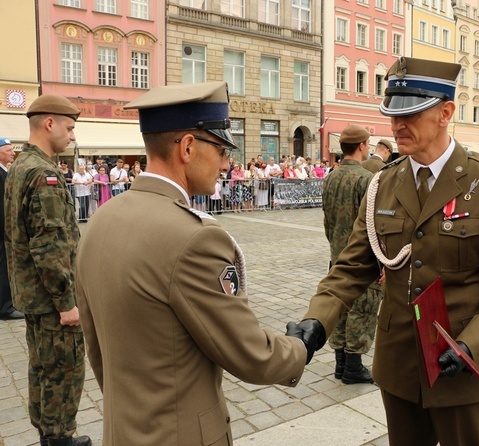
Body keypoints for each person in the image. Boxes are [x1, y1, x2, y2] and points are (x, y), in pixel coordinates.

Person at [286, 57, 479, 446]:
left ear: (445, 113)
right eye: (393, 114)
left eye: (412, 114)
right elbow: (351, 268)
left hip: (462, 372)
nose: (397, 125)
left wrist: (473, 345)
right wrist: (317, 319)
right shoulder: (383, 183)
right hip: (399, 367)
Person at [77, 81, 307, 445]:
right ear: (187, 147)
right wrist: (300, 349)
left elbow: (97, 350)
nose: (226, 163)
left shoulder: (100, 221)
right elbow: (250, 353)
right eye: (220, 149)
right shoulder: (195, 237)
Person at [5, 94, 90, 446]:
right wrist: (67, 301)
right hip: (51, 298)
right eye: (69, 128)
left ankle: (46, 431)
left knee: (41, 365)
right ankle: (59, 438)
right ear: (49, 123)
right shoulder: (43, 174)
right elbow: (49, 245)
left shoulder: (21, 165)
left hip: (31, 293)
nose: (72, 136)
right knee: (63, 368)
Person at [322, 125, 383, 384]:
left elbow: (327, 221)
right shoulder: (365, 180)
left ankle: (340, 362)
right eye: (367, 145)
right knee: (362, 308)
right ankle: (353, 366)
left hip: (337, 254)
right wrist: (381, 263)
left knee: (340, 307)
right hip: (361, 257)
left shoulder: (330, 177)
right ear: (361, 146)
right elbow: (373, 224)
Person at [0, 138, 22, 320]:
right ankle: (5, 308)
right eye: (8, 150)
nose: (13, 153)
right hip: (2, 230)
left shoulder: (4, 171)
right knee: (3, 267)